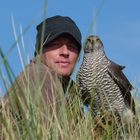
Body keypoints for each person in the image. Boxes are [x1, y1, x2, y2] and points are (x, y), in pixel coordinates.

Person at [0, 15, 82, 134]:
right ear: (40, 51)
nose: (65, 52)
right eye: (55, 44)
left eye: (72, 46)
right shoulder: (40, 77)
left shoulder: (70, 89)